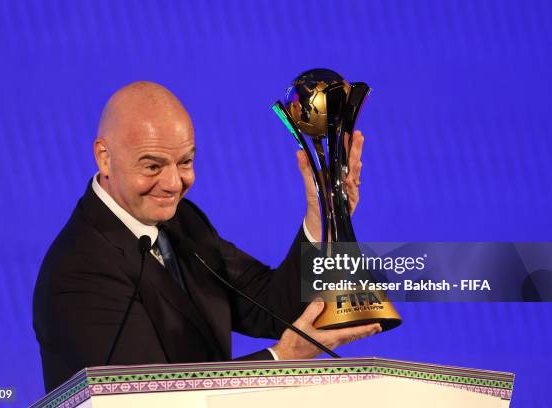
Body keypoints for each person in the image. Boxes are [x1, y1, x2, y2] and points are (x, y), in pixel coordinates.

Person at [33, 81, 381, 392]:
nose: (174, 184)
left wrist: (321, 219)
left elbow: (273, 308)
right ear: (104, 158)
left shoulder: (184, 221)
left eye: (185, 162)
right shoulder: (78, 272)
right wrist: (280, 360)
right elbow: (150, 400)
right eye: (152, 166)